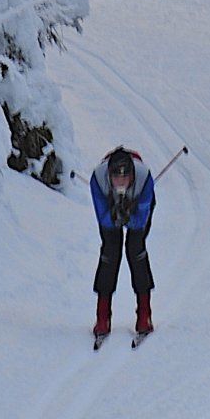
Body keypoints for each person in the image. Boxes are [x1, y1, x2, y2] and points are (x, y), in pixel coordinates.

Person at [89, 146, 156, 345]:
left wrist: (129, 216)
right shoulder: (98, 180)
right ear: (109, 175)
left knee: (136, 251)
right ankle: (102, 317)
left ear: (132, 175)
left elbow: (142, 218)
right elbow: (102, 216)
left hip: (137, 207)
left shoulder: (144, 179)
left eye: (125, 178)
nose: (120, 183)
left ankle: (144, 314)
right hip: (108, 206)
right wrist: (114, 215)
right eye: (116, 178)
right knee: (109, 254)